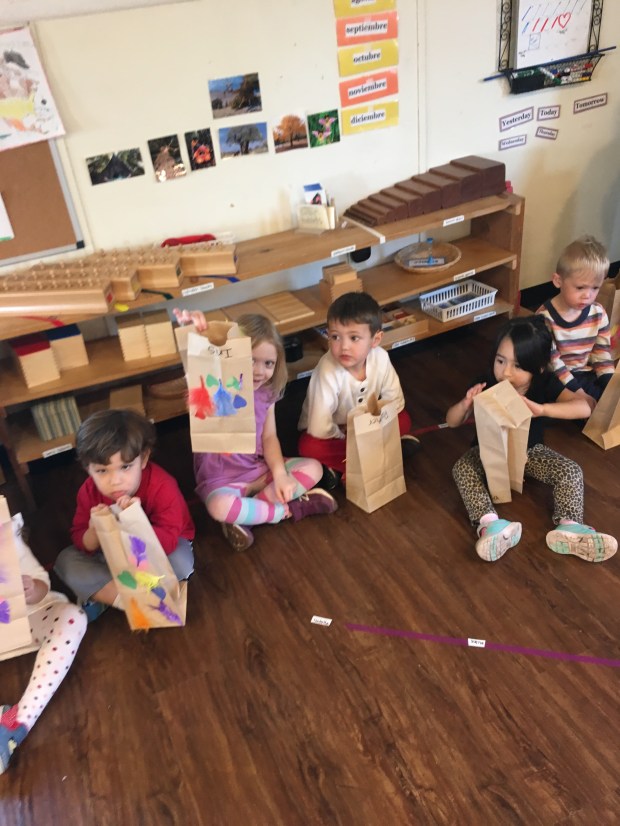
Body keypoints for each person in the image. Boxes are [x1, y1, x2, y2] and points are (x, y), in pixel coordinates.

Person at [446, 315, 617, 563]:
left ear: (538, 368)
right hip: (486, 453)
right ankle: (491, 525)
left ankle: (570, 526)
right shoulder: (486, 383)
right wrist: (465, 404)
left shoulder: (543, 383)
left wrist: (543, 409)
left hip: (530, 452)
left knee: (571, 470)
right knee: (462, 468)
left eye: (518, 366)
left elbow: (585, 408)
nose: (506, 372)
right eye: (500, 361)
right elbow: (452, 421)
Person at [173, 309, 337, 553]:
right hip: (221, 481)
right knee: (219, 507)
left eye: (268, 363)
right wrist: (201, 334)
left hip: (258, 470)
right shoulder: (213, 386)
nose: (260, 371)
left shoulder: (266, 394)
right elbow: (199, 364)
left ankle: (249, 515)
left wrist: (280, 475)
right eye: (251, 360)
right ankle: (288, 509)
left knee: (314, 468)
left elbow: (269, 437)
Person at [54, 410, 195, 621]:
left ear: (144, 459)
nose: (115, 481)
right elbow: (79, 538)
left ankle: (111, 596)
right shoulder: (88, 491)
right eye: (102, 471)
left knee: (181, 563)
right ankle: (139, 600)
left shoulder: (162, 486)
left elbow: (167, 542)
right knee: (66, 561)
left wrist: (136, 523)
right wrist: (93, 532)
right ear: (88, 469)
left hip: (159, 550)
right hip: (110, 555)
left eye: (125, 467)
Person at [297, 291, 417, 488]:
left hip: (367, 424)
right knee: (308, 446)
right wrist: (346, 436)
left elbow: (395, 401)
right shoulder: (328, 371)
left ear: (375, 340)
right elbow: (319, 426)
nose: (344, 346)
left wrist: (373, 425)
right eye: (335, 337)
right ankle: (379, 456)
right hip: (334, 432)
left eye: (354, 338)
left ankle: (340, 466)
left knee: (403, 420)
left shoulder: (381, 358)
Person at [1, 511, 87, 774]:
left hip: (27, 618)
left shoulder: (4, 534)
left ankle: (17, 721)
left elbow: (42, 585)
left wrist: (31, 588)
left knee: (72, 617)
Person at [536, 235, 615, 406]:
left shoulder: (598, 313)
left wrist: (609, 383)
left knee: (608, 402)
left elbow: (601, 353)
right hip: (554, 377)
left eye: (595, 288)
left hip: (584, 373)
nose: (588, 295)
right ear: (558, 281)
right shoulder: (544, 318)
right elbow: (553, 363)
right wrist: (577, 393)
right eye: (580, 287)